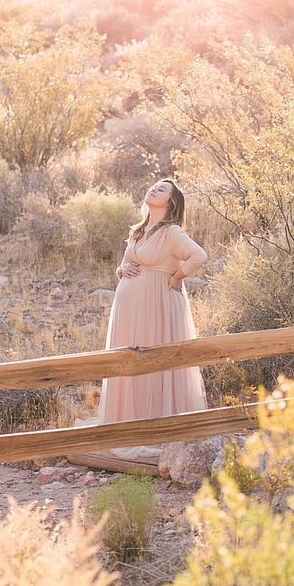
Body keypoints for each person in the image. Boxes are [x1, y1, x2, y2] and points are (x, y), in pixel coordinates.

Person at [99, 178, 208, 426]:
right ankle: (127, 420)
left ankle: (155, 424)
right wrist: (123, 269)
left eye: (162, 190)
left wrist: (178, 276)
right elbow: (124, 264)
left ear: (171, 203)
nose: (154, 189)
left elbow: (199, 255)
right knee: (129, 356)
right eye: (154, 186)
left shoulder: (172, 232)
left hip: (156, 304)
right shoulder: (138, 230)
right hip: (129, 309)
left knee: (152, 355)